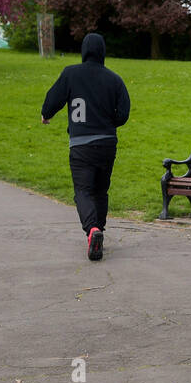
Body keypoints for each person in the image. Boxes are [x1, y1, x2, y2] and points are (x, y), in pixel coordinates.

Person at [41, 33, 131, 261]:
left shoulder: (71, 73)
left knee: (83, 190)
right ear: (102, 52)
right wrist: (109, 122)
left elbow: (53, 99)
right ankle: (98, 231)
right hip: (107, 143)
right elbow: (123, 114)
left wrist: (46, 114)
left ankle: (92, 230)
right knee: (101, 190)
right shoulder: (114, 79)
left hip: (81, 145)